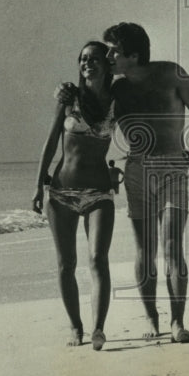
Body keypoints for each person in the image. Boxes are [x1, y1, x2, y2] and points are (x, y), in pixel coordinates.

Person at [57, 22, 189, 344]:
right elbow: (86, 106)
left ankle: (177, 321)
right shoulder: (116, 90)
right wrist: (65, 92)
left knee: (172, 247)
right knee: (145, 251)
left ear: (133, 53)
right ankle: (151, 317)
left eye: (114, 50)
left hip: (174, 167)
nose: (108, 55)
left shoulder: (173, 74)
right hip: (137, 171)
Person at [33, 42, 115, 350]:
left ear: (106, 65)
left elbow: (138, 132)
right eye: (82, 59)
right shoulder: (69, 99)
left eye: (94, 58)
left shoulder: (117, 99)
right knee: (66, 264)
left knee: (98, 259)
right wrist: (37, 186)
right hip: (61, 193)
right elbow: (51, 142)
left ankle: (98, 328)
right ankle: (76, 328)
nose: (87, 63)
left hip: (99, 192)